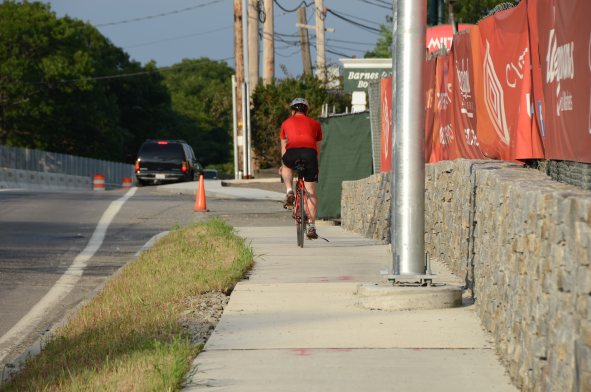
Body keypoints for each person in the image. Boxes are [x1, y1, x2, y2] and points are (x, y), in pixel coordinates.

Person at [280, 97, 323, 240]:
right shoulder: (315, 124)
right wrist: (316, 165)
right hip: (310, 154)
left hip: (292, 152)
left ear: (293, 111)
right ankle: (311, 225)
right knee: (310, 191)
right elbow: (317, 148)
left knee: (286, 165)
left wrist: (283, 164)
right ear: (307, 111)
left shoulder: (285, 123)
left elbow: (283, 148)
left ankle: (289, 190)